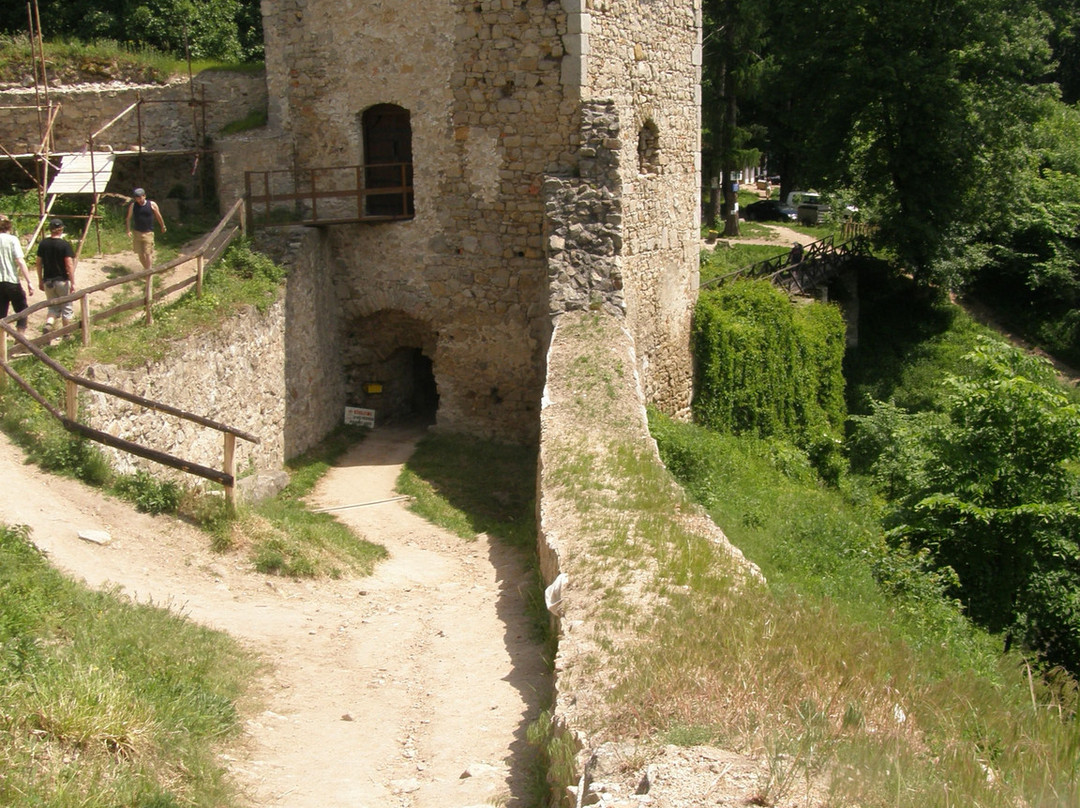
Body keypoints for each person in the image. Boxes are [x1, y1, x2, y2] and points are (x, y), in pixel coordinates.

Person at [36, 218, 76, 333]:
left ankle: (49, 324)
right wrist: (73, 282)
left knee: (52, 307)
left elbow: (38, 263)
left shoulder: (43, 243)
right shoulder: (64, 245)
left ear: (51, 229)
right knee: (66, 308)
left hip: (48, 281)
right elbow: (69, 264)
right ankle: (66, 334)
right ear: (61, 229)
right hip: (62, 280)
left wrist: (40, 280)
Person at [0, 214, 34, 334]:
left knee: (1, 313)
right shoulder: (12, 239)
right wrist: (29, 281)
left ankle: (1, 342)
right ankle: (20, 338)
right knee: (22, 310)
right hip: (11, 280)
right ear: (8, 227)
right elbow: (20, 260)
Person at [125, 187, 167, 270]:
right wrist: (128, 230)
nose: (139, 200)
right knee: (140, 255)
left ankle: (149, 272)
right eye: (137, 198)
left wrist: (163, 226)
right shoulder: (133, 206)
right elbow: (128, 218)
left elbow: (159, 216)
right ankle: (147, 270)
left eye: (140, 197)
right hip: (137, 233)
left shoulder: (152, 204)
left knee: (148, 253)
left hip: (148, 233)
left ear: (144, 196)